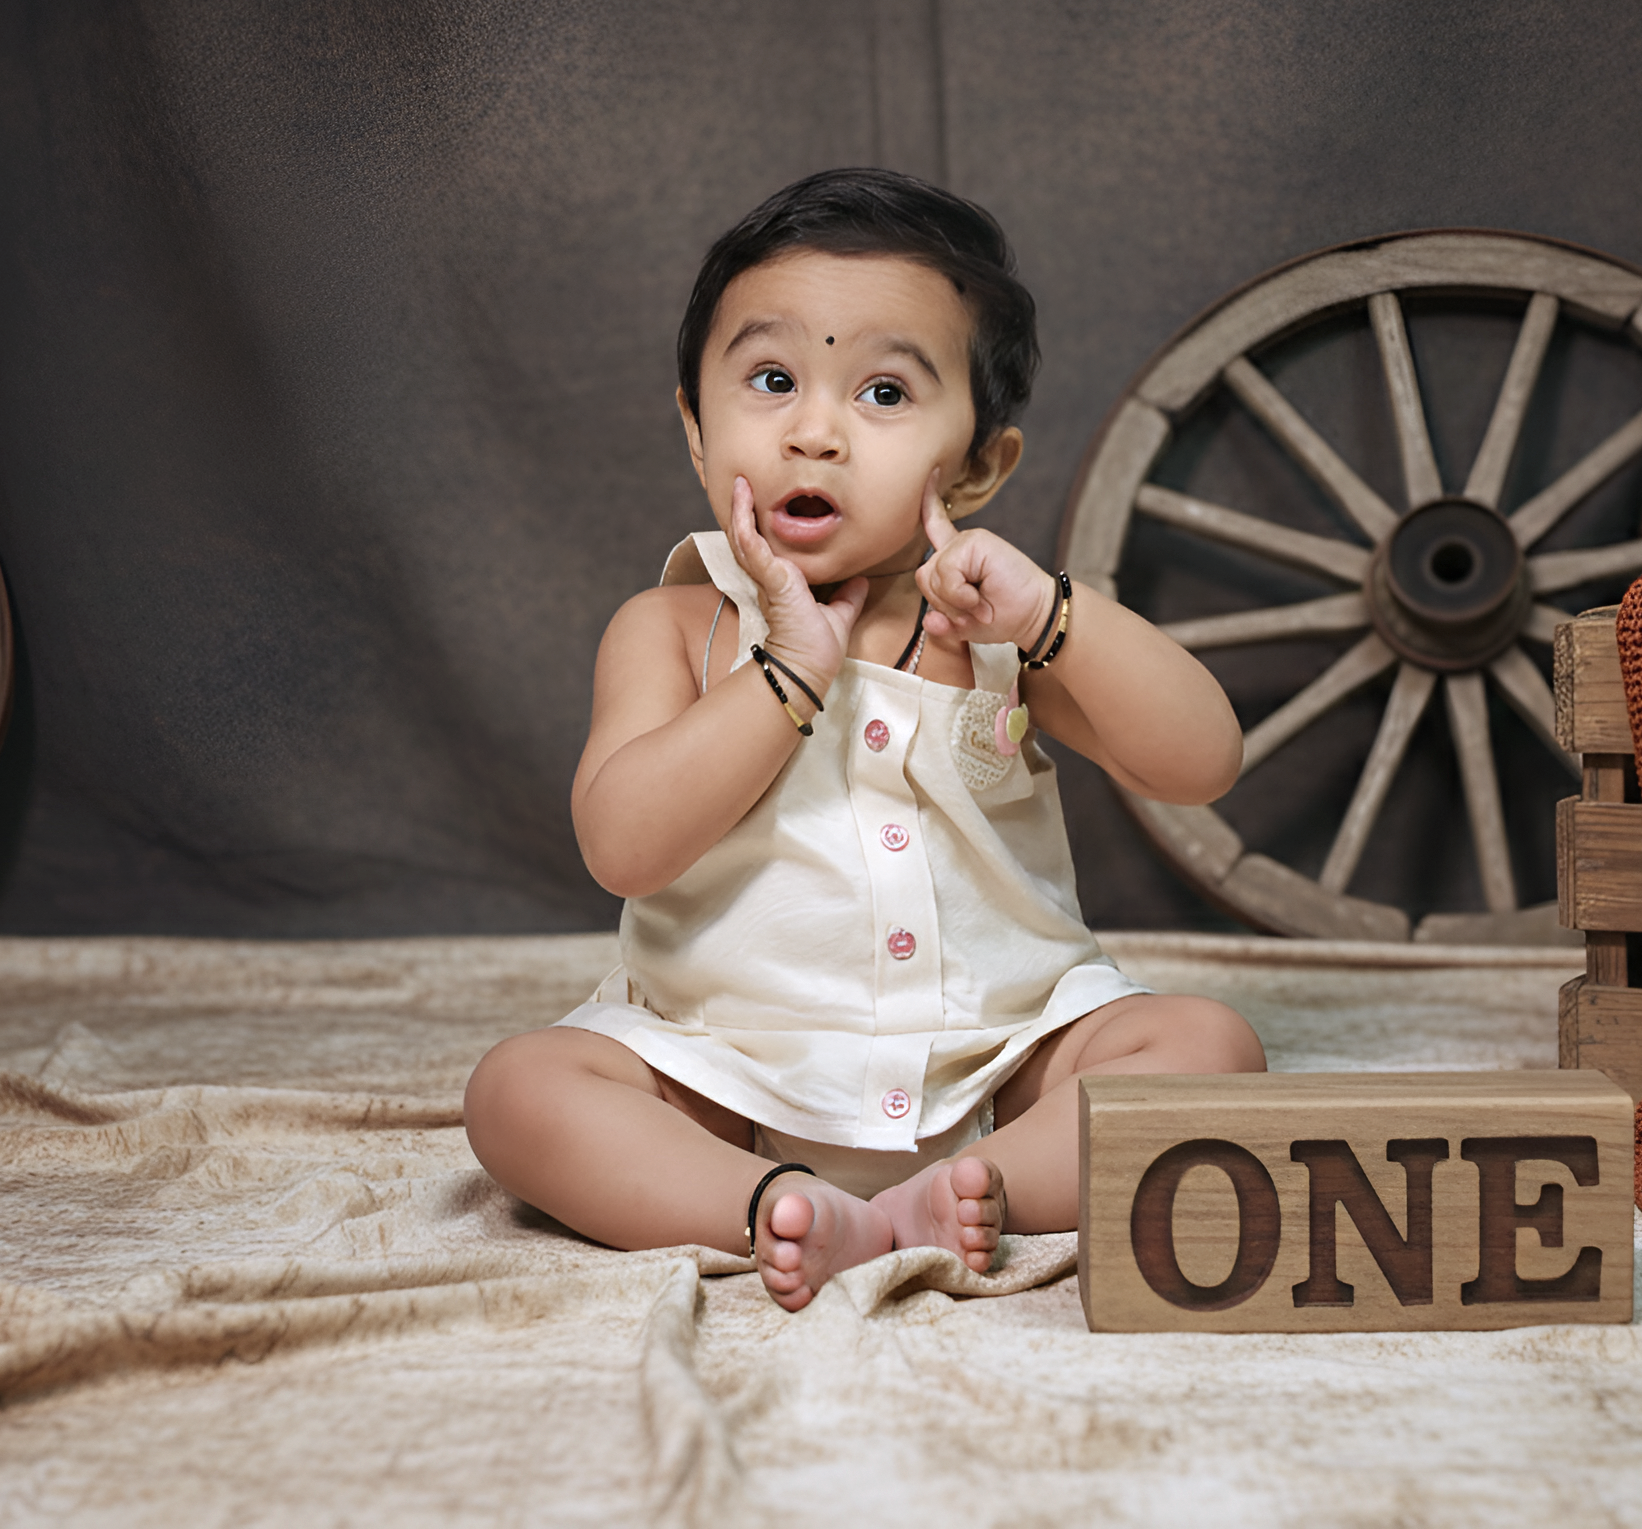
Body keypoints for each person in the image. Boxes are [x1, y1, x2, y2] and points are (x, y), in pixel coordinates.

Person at [464, 168, 1264, 1312]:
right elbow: (623, 846)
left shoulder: (998, 628)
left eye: (884, 391)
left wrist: (1050, 616)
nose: (815, 432)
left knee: (1208, 1044)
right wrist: (788, 671)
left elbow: (1201, 760)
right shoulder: (678, 627)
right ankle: (768, 1200)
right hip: (728, 1075)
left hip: (1000, 1065)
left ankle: (976, 1185)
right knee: (521, 1089)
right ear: (696, 428)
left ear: (978, 465)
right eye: (772, 380)